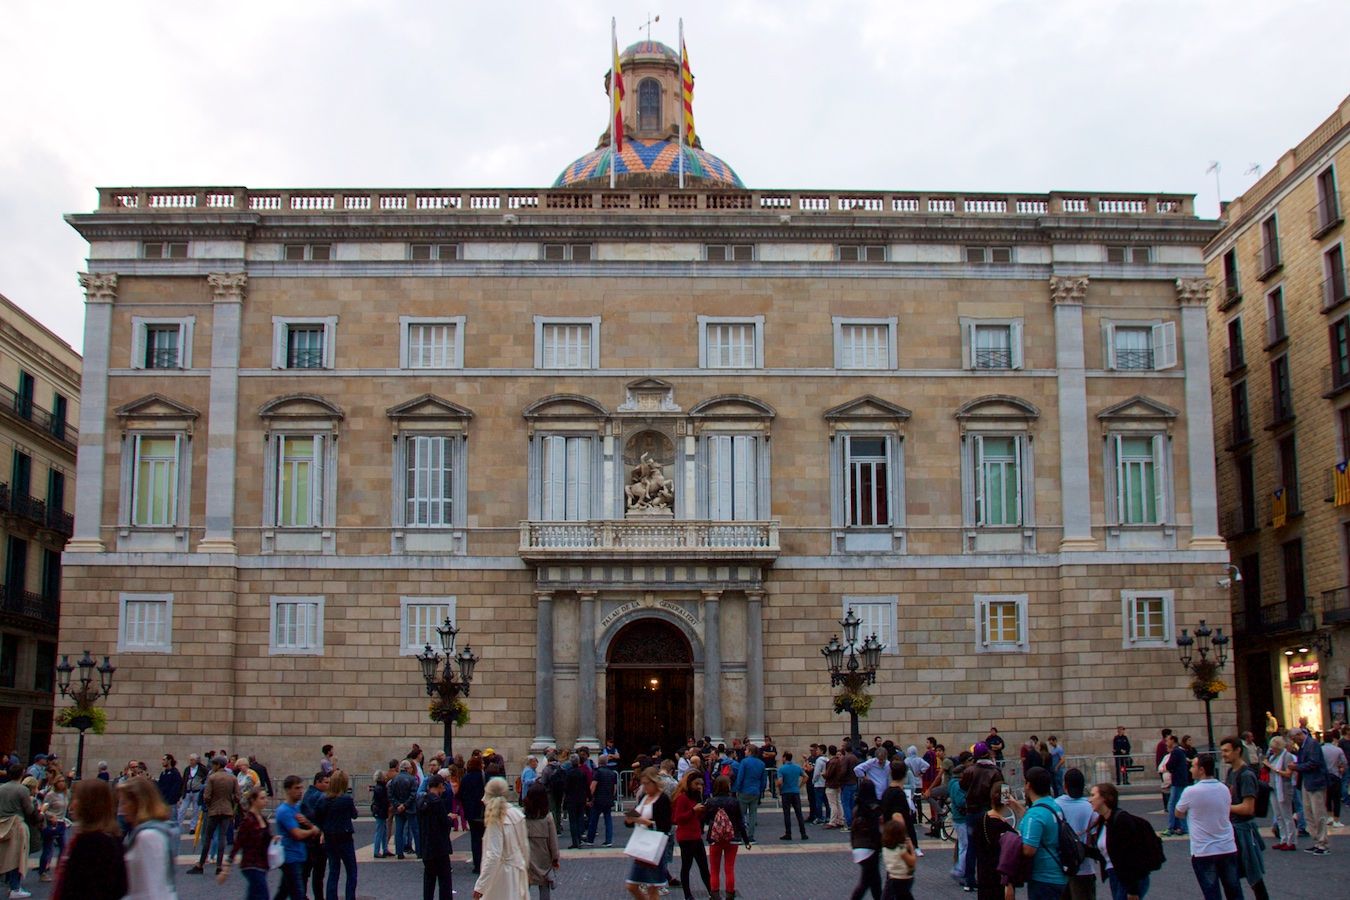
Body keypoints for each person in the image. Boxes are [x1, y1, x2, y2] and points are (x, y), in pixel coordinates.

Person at [1175, 753, 1241, 900]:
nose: (1191, 769)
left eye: (1193, 766)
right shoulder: (1223, 788)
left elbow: (1178, 812)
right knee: (1234, 890)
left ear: (1202, 770)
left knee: (1211, 893)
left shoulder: (1191, 791)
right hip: (1227, 846)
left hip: (1204, 849)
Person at [50, 778, 126, 900]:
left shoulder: (93, 844)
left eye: (77, 798)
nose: (72, 804)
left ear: (89, 804)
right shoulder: (97, 838)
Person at [1086, 782, 1160, 900]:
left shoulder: (1121, 821)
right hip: (1116, 875)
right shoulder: (1103, 821)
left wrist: (1132, 890)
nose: (1090, 800)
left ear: (1105, 798)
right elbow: (1108, 852)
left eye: (1093, 795)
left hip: (1129, 879)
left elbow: (1130, 855)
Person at [1218, 736, 1267, 900]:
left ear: (1238, 750)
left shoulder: (1246, 775)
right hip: (1234, 828)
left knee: (1254, 876)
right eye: (1222, 751)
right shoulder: (1232, 772)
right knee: (1236, 874)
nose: (1223, 754)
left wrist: (1224, 807)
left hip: (1244, 829)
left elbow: (1248, 808)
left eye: (1226, 751)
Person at [118, 775, 179, 900]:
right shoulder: (150, 832)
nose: (122, 809)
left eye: (125, 802)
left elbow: (153, 889)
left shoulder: (148, 836)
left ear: (138, 802)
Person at [1018, 767, 1069, 900]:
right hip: (1058, 871)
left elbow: (1028, 850)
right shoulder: (1054, 805)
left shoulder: (1035, 814)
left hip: (1043, 877)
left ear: (1029, 785)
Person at [623, 767, 673, 900]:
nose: (644, 787)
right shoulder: (644, 797)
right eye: (643, 784)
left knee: (652, 888)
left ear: (654, 782)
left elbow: (665, 826)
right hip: (642, 844)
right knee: (632, 885)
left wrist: (645, 822)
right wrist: (629, 819)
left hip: (654, 846)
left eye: (646, 783)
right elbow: (635, 816)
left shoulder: (662, 799)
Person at [189, 755, 238, 875]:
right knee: (222, 837)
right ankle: (219, 865)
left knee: (207, 837)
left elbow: (206, 796)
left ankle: (201, 864)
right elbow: (237, 796)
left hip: (213, 810)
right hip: (227, 810)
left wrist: (209, 805)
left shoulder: (212, 778)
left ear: (217, 765)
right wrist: (231, 807)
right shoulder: (232, 778)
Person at [219, 787, 271, 900]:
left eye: (265, 798)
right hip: (251, 864)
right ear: (253, 800)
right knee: (263, 895)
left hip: (262, 863)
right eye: (262, 798)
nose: (265, 801)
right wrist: (227, 866)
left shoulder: (262, 818)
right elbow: (238, 843)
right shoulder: (248, 821)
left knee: (253, 895)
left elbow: (267, 838)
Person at [703, 774, 749, 900]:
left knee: (714, 868)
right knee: (729, 868)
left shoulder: (710, 802)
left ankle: (715, 894)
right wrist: (746, 840)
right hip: (732, 837)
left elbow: (705, 820)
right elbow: (740, 822)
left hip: (715, 838)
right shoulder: (734, 801)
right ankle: (730, 894)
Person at [972, 781, 1018, 900]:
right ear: (1007, 800)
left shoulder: (979, 821)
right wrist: (1016, 805)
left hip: (983, 876)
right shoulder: (1006, 829)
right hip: (1000, 880)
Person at [275, 775, 319, 900]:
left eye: (301, 788)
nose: (300, 791)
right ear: (288, 790)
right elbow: (297, 834)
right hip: (290, 857)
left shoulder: (298, 807)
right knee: (298, 894)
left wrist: (309, 825)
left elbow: (309, 825)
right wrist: (312, 830)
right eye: (296, 788)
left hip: (299, 855)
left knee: (283, 892)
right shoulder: (284, 811)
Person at [1054, 768, 1096, 900]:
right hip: (1084, 866)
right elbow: (1094, 837)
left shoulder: (1056, 805)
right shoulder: (1090, 807)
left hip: (1060, 864)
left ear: (1065, 785)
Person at [671, 771, 712, 900]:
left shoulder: (697, 797)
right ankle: (687, 894)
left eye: (701, 784)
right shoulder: (682, 798)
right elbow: (678, 818)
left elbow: (699, 818)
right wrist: (693, 811)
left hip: (696, 835)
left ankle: (712, 892)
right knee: (686, 866)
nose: (699, 786)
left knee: (704, 866)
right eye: (696, 784)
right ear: (689, 784)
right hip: (685, 837)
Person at [321, 769, 358, 900]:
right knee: (351, 871)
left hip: (330, 837)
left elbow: (319, 816)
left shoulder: (325, 800)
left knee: (333, 870)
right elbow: (355, 815)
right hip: (345, 837)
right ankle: (350, 897)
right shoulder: (346, 800)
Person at [0, 762, 35, 897]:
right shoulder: (22, 790)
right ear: (22, 774)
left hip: (1, 824)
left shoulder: (2, 788)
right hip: (16, 824)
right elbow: (29, 810)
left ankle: (10, 884)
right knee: (17, 857)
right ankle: (15, 887)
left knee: (3, 857)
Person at [417, 774, 454, 900]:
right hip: (439, 846)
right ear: (439, 786)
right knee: (444, 879)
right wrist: (450, 818)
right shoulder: (437, 802)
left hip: (426, 845)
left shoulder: (422, 801)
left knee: (429, 878)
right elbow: (444, 822)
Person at [523, 784, 559, 900]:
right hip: (543, 856)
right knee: (544, 887)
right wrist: (555, 858)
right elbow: (553, 841)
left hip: (527, 857)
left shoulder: (523, 816)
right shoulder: (547, 817)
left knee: (524, 887)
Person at [1261, 735, 1296, 849]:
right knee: (1278, 815)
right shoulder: (1272, 756)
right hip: (1273, 787)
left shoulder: (1287, 757)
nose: (1272, 750)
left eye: (1274, 747)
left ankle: (1291, 840)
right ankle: (1283, 838)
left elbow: (1288, 773)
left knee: (1287, 815)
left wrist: (1273, 768)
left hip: (1284, 788)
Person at [301, 770, 331, 899]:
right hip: (317, 840)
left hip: (308, 840)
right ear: (317, 782)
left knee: (306, 873)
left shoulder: (308, 794)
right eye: (326, 782)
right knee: (318, 874)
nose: (328, 785)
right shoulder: (320, 796)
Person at [37, 771, 70, 883]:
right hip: (51, 823)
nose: (62, 783)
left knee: (64, 847)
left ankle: (60, 869)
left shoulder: (66, 793)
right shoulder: (51, 795)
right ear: (56, 783)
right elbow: (43, 809)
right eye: (60, 781)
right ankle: (43, 872)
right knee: (48, 848)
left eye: (63, 781)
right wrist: (51, 816)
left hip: (61, 823)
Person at [730, 743, 766, 842]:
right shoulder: (761, 763)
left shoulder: (744, 762)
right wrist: (760, 790)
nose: (745, 751)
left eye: (746, 750)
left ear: (750, 752)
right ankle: (751, 836)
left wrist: (737, 789)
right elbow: (763, 780)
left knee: (741, 814)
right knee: (753, 814)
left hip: (744, 790)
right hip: (755, 791)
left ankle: (741, 835)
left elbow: (740, 777)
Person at [460, 754, 488, 873]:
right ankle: (484, 863)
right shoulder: (483, 777)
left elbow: (461, 794)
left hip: (471, 812)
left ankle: (477, 865)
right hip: (482, 811)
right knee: (485, 838)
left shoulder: (466, 778)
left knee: (475, 839)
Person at [880, 817, 917, 900]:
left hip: (892, 877)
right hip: (903, 878)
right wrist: (911, 848)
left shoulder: (885, 847)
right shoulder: (900, 850)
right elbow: (912, 861)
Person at [586, 753, 618, 846]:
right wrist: (612, 796)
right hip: (608, 798)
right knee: (608, 820)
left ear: (599, 762)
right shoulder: (612, 773)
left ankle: (590, 839)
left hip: (598, 799)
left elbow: (593, 787)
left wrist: (589, 798)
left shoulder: (597, 772)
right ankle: (609, 840)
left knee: (594, 820)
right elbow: (614, 788)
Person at [1161, 734, 1190, 836]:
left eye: (1168, 740)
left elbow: (1169, 765)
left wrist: (1169, 768)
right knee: (1178, 803)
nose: (1166, 742)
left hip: (1178, 781)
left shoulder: (1176, 751)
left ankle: (1172, 827)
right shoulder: (1180, 751)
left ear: (1173, 740)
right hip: (1180, 780)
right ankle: (1180, 826)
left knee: (1173, 804)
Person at [389, 759, 419, 859]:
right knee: (415, 830)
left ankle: (399, 852)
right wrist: (405, 805)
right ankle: (419, 851)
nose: (411, 769)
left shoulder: (394, 779)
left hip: (398, 809)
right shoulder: (412, 779)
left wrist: (398, 805)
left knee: (399, 831)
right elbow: (413, 794)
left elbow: (391, 795)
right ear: (407, 768)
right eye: (410, 768)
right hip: (410, 808)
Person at [776, 751, 808, 840]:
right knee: (799, 813)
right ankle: (803, 833)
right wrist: (799, 786)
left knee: (787, 814)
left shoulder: (781, 769)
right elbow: (806, 776)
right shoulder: (797, 767)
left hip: (786, 792)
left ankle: (788, 833)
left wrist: (779, 787)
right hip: (795, 791)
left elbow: (780, 781)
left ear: (785, 758)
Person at [371, 770, 391, 857]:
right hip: (380, 811)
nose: (386, 777)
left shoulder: (380, 787)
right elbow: (383, 801)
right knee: (380, 831)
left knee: (383, 830)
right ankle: (377, 851)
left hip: (379, 811)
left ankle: (384, 849)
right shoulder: (381, 788)